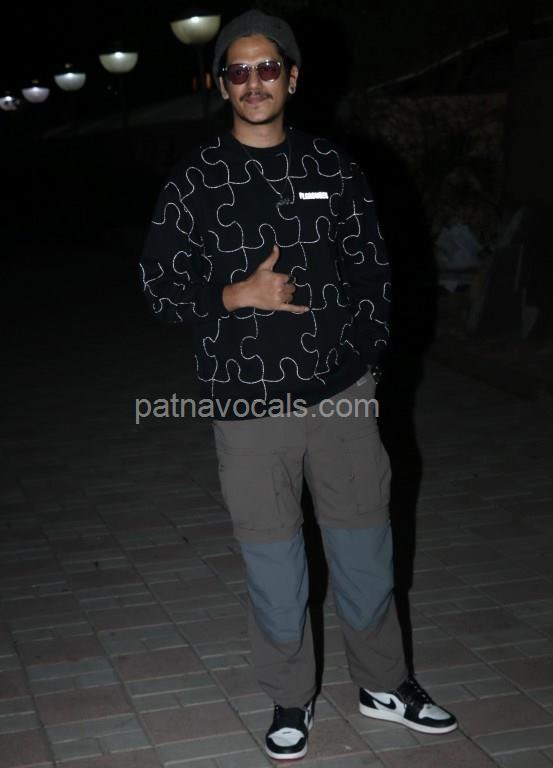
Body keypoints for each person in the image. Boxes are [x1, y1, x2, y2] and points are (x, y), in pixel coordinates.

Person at [140, 9, 457, 761]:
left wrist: (365, 365)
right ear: (222, 84)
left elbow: (373, 272)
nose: (253, 82)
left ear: (291, 77)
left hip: (341, 396)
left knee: (365, 548)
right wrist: (234, 295)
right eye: (238, 70)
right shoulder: (195, 180)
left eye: (267, 68)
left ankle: (384, 684)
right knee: (275, 561)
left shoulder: (333, 168)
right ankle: (290, 695)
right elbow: (157, 286)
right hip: (247, 403)